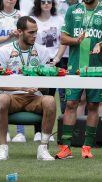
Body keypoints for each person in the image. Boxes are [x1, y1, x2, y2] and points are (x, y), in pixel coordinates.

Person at [55, 0, 102, 159]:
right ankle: (66, 147)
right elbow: (63, 38)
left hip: (96, 68)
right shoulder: (72, 11)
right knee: (70, 104)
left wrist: (101, 46)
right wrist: (76, 41)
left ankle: (87, 147)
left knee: (93, 105)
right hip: (74, 67)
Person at [0, 16, 56, 161]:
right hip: (12, 97)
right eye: (30, 32)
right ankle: (3, 148)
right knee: (1, 99)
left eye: (36, 32)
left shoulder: (42, 51)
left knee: (50, 101)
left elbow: (48, 82)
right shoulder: (4, 50)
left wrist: (38, 86)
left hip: (34, 97)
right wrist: (21, 87)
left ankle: (43, 148)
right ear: (19, 32)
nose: (35, 35)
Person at [0, 0, 27, 143]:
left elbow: (28, 36)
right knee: (0, 94)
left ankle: (20, 132)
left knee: (19, 91)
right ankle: (3, 130)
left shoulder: (21, 15)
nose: (10, 0)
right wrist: (8, 37)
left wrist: (19, 35)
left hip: (18, 56)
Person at [31, 0, 66, 141]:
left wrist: (57, 59)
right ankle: (37, 131)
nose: (46, 4)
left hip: (55, 61)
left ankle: (47, 130)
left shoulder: (59, 19)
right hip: (38, 61)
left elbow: (63, 41)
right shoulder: (32, 20)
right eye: (43, 2)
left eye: (49, 2)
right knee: (37, 95)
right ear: (38, 4)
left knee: (50, 97)